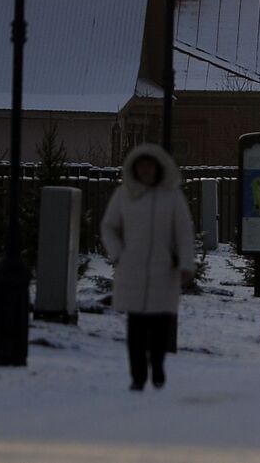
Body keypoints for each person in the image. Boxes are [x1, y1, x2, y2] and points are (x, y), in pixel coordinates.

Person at [101, 144, 195, 391]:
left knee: (160, 326)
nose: (145, 170)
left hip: (163, 270)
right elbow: (109, 226)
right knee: (136, 327)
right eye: (141, 166)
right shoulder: (124, 195)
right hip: (132, 270)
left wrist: (186, 263)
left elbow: (184, 231)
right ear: (135, 168)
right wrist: (119, 253)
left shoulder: (171, 196)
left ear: (158, 168)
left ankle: (158, 365)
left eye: (150, 166)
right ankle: (138, 375)